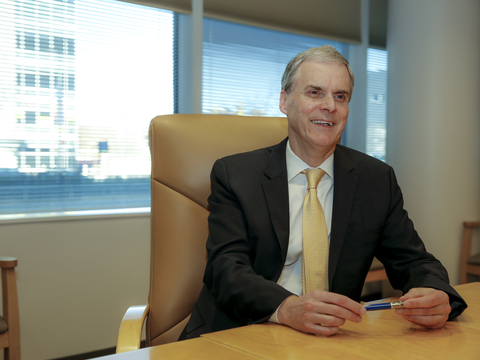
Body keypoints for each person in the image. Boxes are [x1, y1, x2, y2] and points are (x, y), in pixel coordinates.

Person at [179, 45, 467, 340]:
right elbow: (225, 268)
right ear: (284, 100)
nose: (330, 105)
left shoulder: (375, 179)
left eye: (340, 96)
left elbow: (415, 261)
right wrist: (287, 307)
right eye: (315, 92)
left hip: (330, 338)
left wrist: (436, 293)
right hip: (240, 328)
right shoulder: (236, 174)